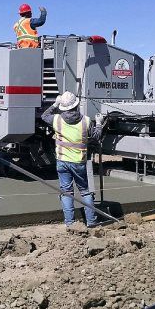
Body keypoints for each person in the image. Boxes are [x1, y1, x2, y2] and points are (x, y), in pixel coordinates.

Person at [41, 91, 101, 227]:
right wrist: (98, 123)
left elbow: (44, 116)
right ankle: (91, 221)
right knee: (85, 191)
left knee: (66, 193)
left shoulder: (57, 120)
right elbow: (96, 136)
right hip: (79, 162)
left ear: (63, 107)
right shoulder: (86, 121)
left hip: (62, 162)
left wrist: (55, 104)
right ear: (77, 105)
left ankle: (70, 223)